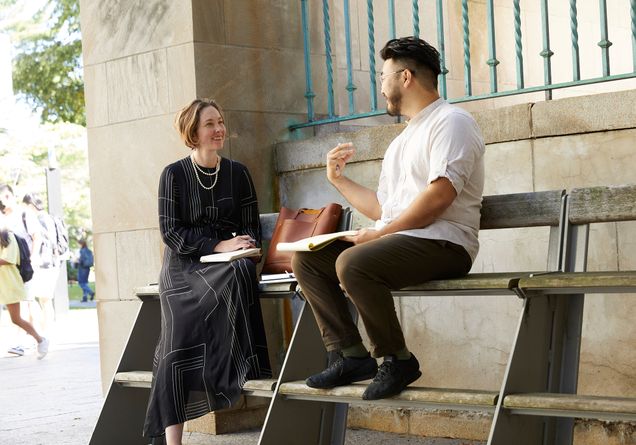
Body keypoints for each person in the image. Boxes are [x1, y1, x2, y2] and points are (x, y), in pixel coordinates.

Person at [291, 37, 485, 401]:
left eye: (384, 77)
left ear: (406, 77)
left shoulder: (452, 122)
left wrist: (379, 236)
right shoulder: (402, 140)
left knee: (353, 262)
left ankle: (397, 359)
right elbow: (385, 209)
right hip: (404, 241)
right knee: (309, 260)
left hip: (445, 243)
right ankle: (349, 354)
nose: (381, 86)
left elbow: (440, 197)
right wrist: (338, 179)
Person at [143, 99, 271, 445]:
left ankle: (228, 369)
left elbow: (250, 228)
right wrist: (216, 246)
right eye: (210, 124)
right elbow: (171, 232)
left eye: (221, 122)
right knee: (177, 342)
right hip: (184, 268)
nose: (219, 129)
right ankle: (172, 441)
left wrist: (240, 248)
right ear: (193, 133)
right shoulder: (173, 174)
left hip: (228, 267)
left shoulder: (238, 173)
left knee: (242, 271)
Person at [0, 184, 44, 355]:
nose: (4, 200)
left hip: (22, 270)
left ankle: (34, 339)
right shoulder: (5, 218)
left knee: (27, 306)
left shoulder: (23, 214)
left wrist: (34, 258)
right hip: (8, 276)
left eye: (7, 196)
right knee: (21, 311)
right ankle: (30, 340)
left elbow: (36, 237)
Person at [22, 194, 58, 333]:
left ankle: (44, 333)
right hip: (50, 263)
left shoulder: (41, 219)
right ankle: (44, 332)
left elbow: (42, 240)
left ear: (30, 205)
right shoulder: (47, 217)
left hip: (44, 264)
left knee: (41, 300)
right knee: (44, 300)